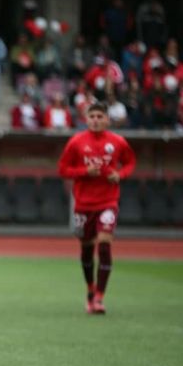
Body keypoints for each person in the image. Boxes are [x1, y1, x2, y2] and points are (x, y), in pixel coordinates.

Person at [58, 102, 136, 315]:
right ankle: (90, 290)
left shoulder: (117, 142)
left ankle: (100, 297)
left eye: (100, 116)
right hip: (83, 204)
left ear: (107, 120)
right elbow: (63, 169)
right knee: (86, 249)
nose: (95, 119)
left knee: (104, 245)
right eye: (92, 116)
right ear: (86, 118)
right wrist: (84, 171)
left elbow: (130, 163)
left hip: (108, 201)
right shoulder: (76, 142)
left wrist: (120, 175)